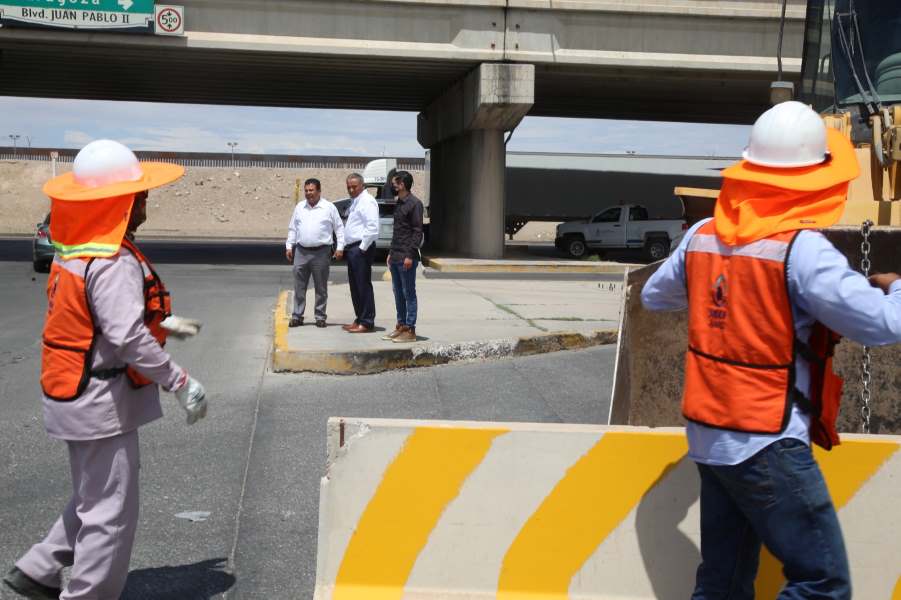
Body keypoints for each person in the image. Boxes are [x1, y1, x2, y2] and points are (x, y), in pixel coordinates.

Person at [641, 101, 901, 599]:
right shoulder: (801, 251)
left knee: (722, 583)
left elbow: (655, 296)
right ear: (816, 177)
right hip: (767, 441)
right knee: (822, 582)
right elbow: (882, 324)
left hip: (710, 436)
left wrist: (718, 293)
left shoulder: (701, 236)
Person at [3, 139, 208, 600]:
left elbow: (93, 320)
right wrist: (180, 381)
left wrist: (165, 322)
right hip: (101, 403)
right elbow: (125, 337)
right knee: (110, 513)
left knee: (92, 496)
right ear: (119, 202)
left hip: (72, 395)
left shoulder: (75, 251)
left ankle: (38, 569)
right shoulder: (112, 260)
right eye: (138, 195)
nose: (145, 202)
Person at [286, 178, 345, 328]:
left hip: (321, 252)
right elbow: (293, 228)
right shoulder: (300, 207)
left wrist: (340, 248)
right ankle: (297, 316)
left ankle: (320, 316)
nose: (308, 193)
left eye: (311, 190)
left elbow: (339, 228)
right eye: (306, 190)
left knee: (321, 287)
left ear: (319, 191)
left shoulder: (329, 207)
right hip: (301, 251)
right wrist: (289, 246)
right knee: (299, 286)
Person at [382, 170, 424, 343]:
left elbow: (417, 231)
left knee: (409, 293)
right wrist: (391, 253)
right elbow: (398, 231)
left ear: (403, 184)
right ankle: (400, 325)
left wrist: (410, 255)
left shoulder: (415, 204)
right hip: (396, 255)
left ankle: (410, 330)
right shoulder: (399, 202)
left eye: (396, 183)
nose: (393, 186)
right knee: (398, 292)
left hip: (407, 257)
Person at [341, 172, 379, 333]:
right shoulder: (355, 202)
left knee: (363, 285)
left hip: (361, 248)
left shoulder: (367, 201)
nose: (351, 189)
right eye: (348, 187)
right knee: (355, 286)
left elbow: (372, 228)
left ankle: (367, 321)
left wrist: (362, 248)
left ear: (362, 185)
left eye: (354, 186)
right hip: (353, 248)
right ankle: (359, 318)